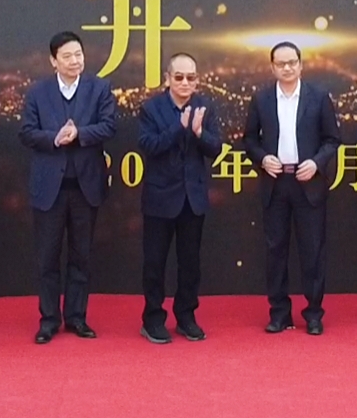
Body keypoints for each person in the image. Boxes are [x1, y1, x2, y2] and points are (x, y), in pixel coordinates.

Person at [18, 30, 118, 344]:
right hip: (50, 188)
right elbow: (26, 132)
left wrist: (80, 134)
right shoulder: (38, 92)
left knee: (81, 256)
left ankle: (76, 317)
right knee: (47, 258)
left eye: (78, 54)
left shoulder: (99, 88)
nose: (75, 61)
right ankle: (49, 319)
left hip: (85, 187)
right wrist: (54, 138)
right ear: (53, 61)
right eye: (67, 56)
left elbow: (110, 126)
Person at [241, 40, 340, 335]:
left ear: (301, 65)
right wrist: (262, 158)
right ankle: (279, 313)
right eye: (280, 64)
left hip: (308, 182)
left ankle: (313, 314)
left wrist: (316, 163)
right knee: (275, 250)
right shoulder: (261, 99)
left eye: (292, 63)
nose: (287, 68)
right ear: (272, 67)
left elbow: (332, 139)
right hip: (275, 183)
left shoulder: (318, 97)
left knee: (313, 250)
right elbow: (249, 140)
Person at [135, 52, 221, 344]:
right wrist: (178, 128)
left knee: (190, 263)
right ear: (167, 78)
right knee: (154, 263)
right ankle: (153, 319)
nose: (185, 83)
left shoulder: (205, 106)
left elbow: (215, 147)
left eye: (191, 78)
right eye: (179, 77)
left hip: (192, 198)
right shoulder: (152, 108)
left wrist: (198, 132)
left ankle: (186, 316)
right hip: (159, 199)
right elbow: (149, 145)